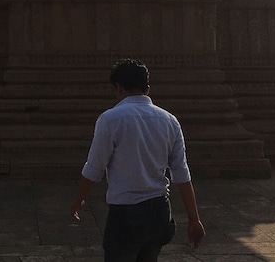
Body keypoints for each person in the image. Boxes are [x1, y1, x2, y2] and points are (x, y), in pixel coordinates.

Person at [70, 58, 205, 261]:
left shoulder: (110, 119)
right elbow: (181, 174)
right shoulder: (170, 121)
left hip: (126, 213)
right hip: (160, 212)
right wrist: (194, 219)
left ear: (118, 87)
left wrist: (78, 200)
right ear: (147, 89)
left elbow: (94, 169)